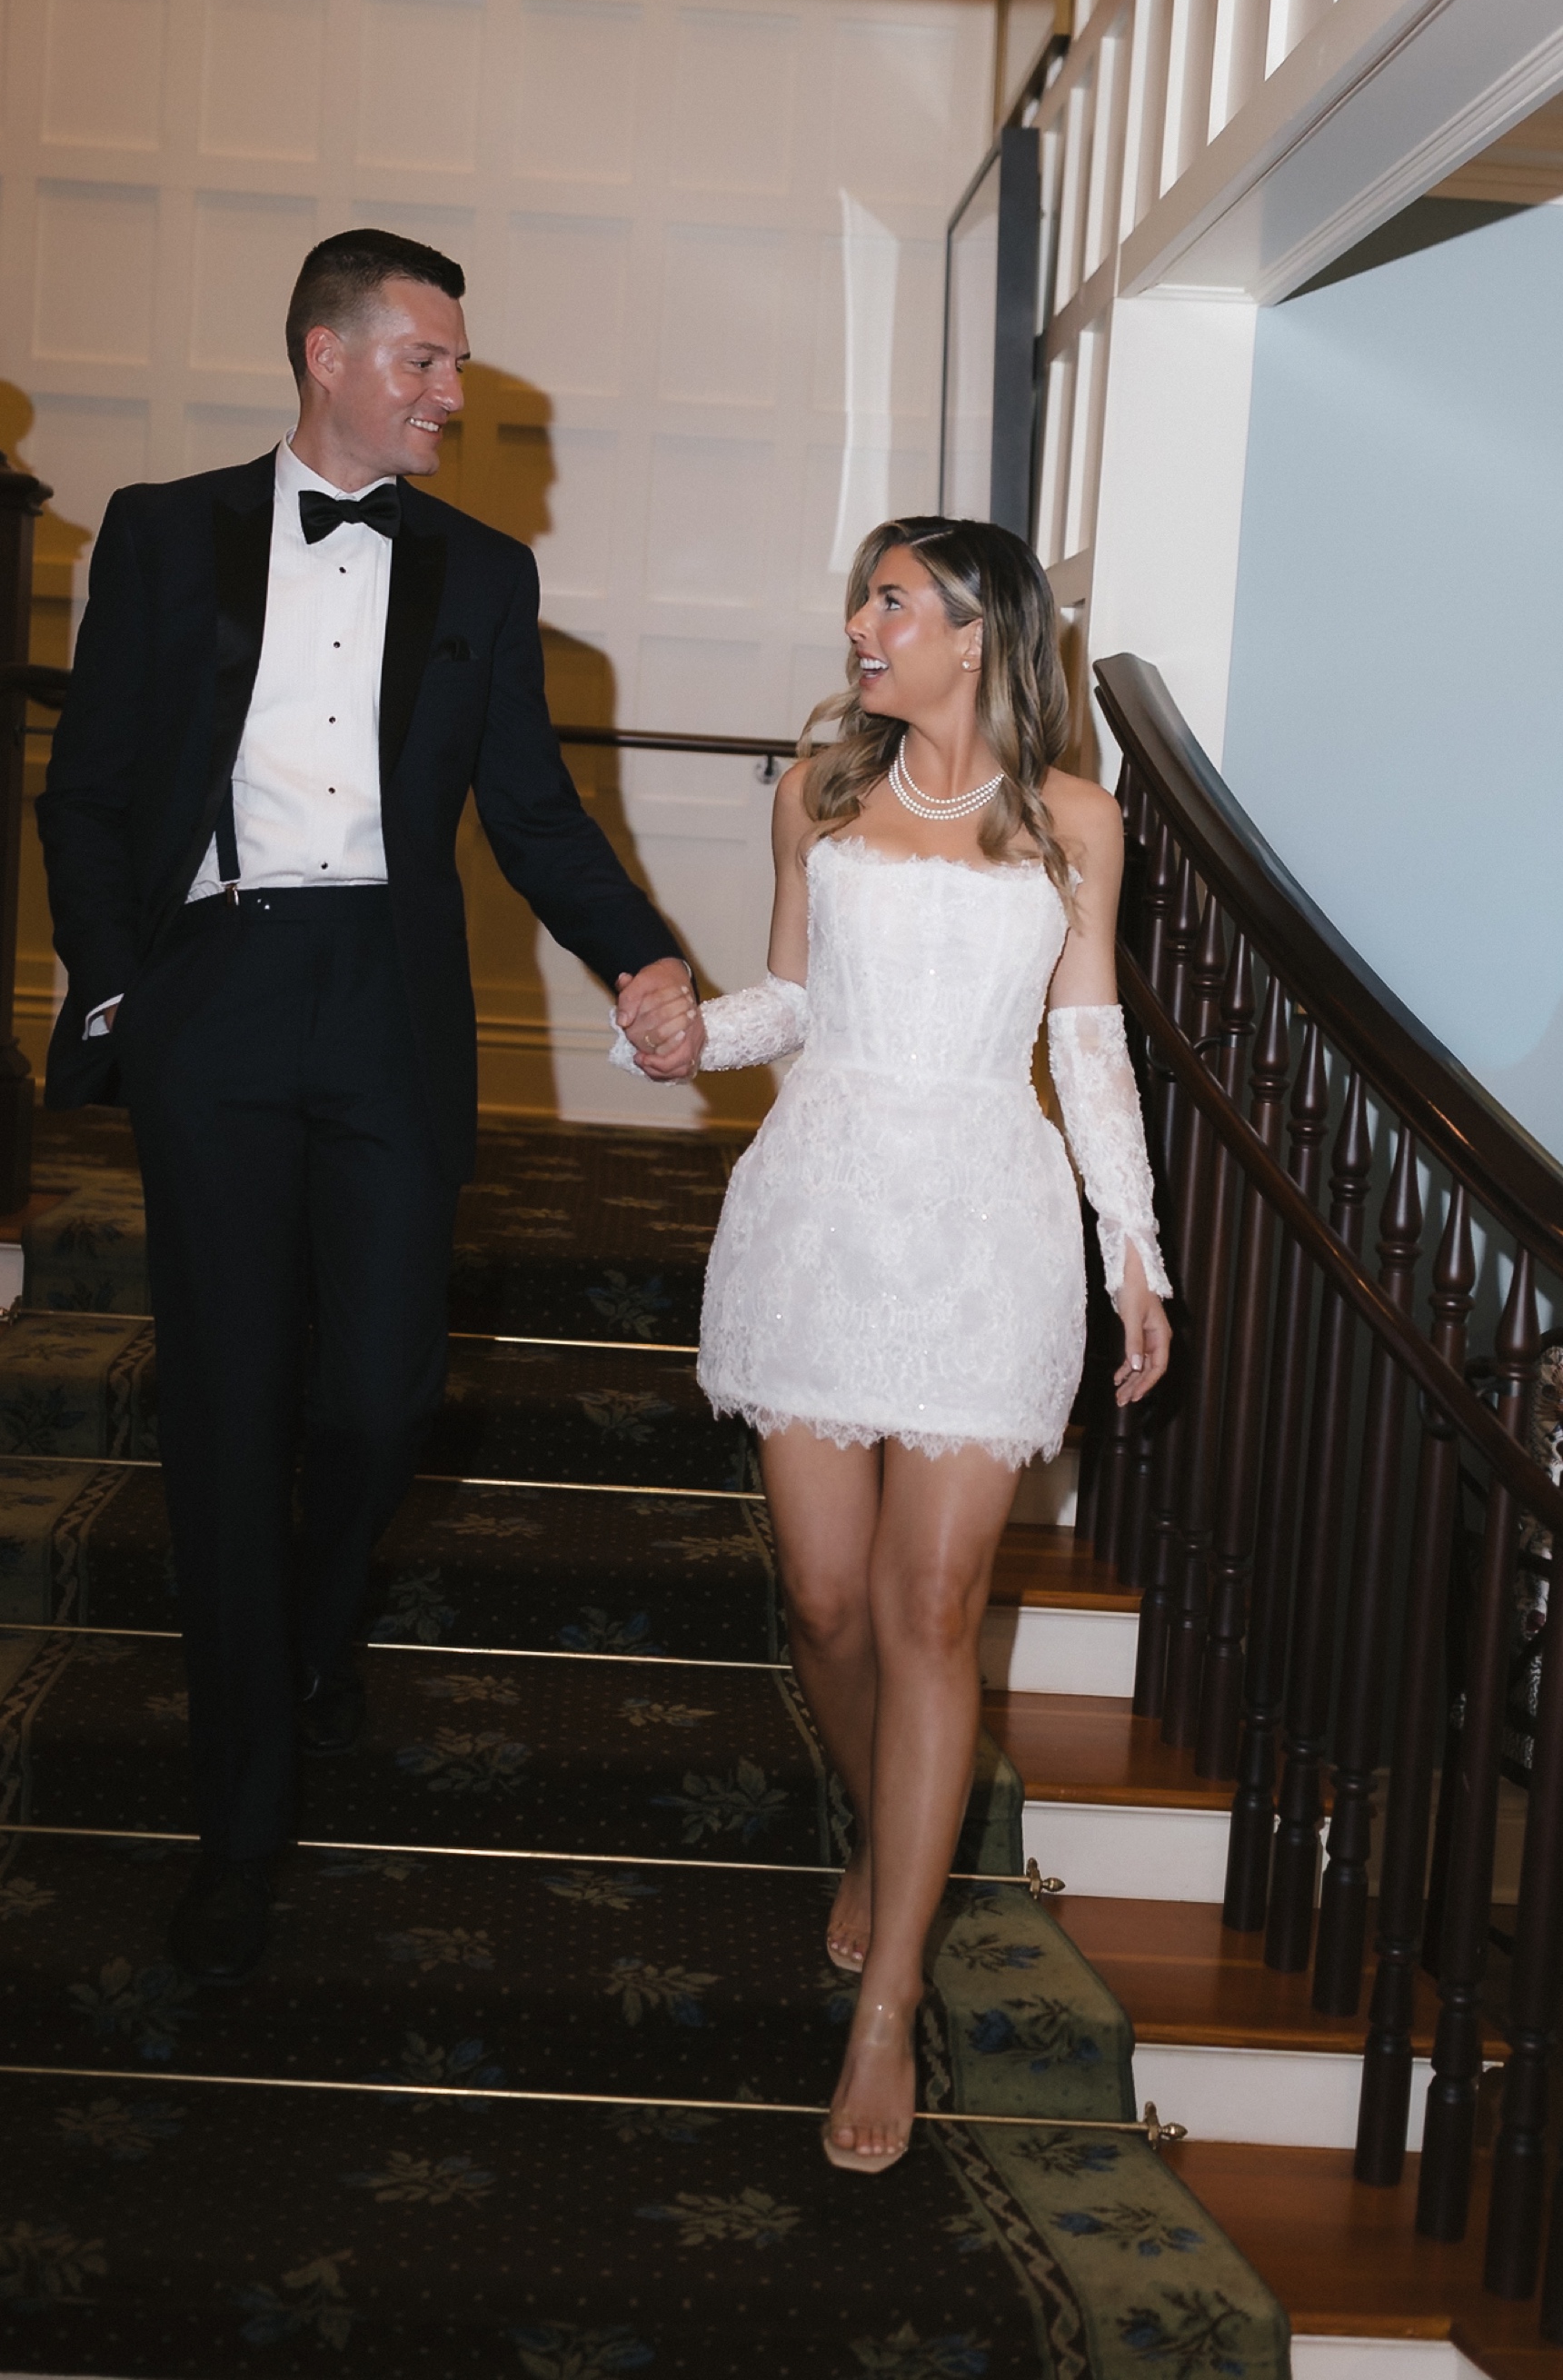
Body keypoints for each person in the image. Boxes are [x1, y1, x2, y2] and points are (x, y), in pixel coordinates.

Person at [38, 227, 704, 1984]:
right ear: (327, 354)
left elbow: (537, 813)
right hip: (217, 998)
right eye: (426, 360)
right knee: (228, 1404)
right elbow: (90, 789)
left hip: (390, 1014)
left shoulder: (484, 574)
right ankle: (239, 1819)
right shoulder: (164, 530)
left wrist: (639, 957)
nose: (452, 394)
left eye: (458, 364)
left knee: (382, 1387)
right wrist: (123, 993)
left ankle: (320, 1624)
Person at [618, 517, 1171, 2175]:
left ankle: (891, 1995)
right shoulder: (818, 794)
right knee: (829, 1599)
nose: (861, 623)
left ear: (980, 634)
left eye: (893, 600)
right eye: (863, 595)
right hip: (820, 1210)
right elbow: (791, 1000)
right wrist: (691, 1034)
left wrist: (1131, 1255)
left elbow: (1088, 1047)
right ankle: (885, 1819)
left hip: (986, 1231)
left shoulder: (1080, 823)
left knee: (936, 1610)